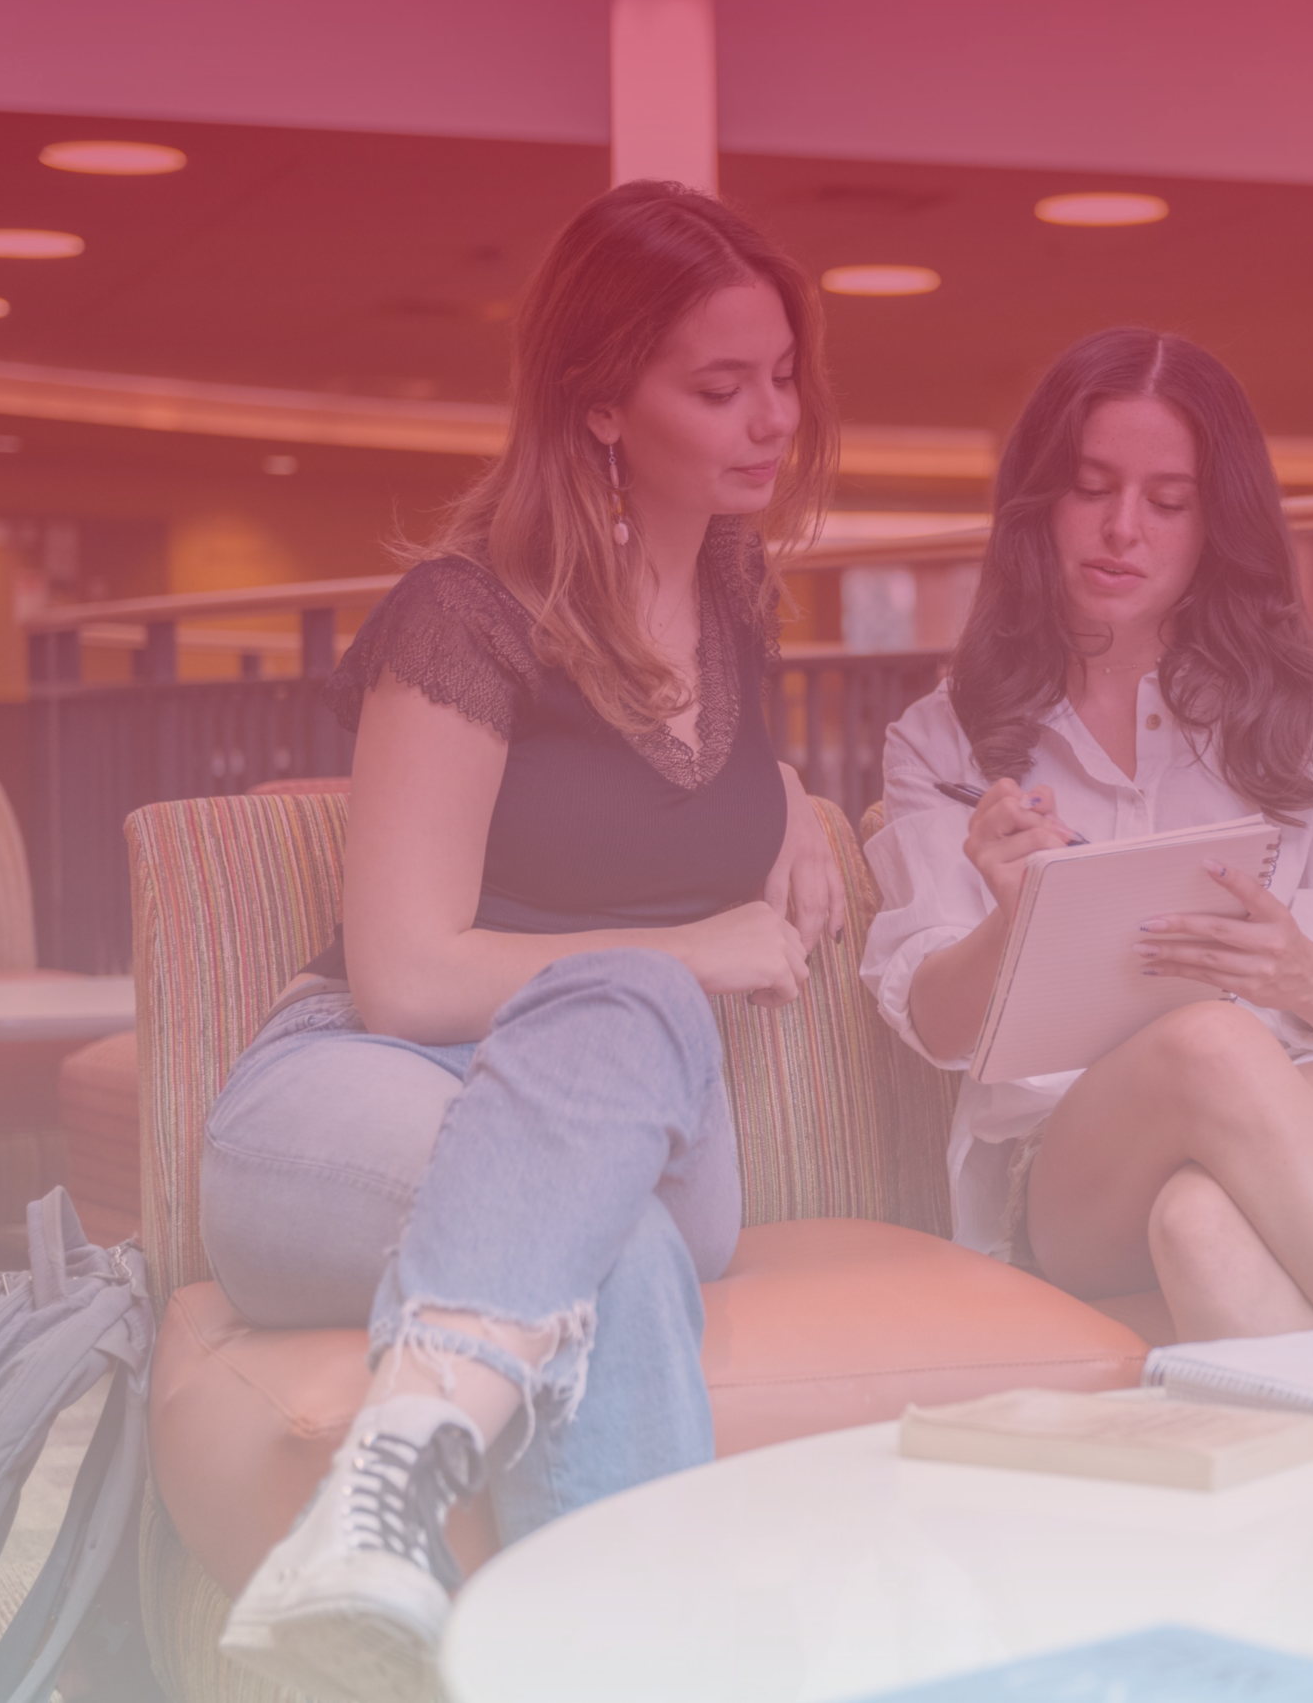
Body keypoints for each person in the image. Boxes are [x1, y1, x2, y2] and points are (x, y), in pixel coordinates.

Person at [201, 180, 842, 1703]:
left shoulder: (740, 597)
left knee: (622, 1087)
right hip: (364, 1092)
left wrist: (798, 795)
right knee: (605, 1246)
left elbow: (670, 795)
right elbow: (405, 975)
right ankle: (516, 1578)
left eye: (783, 375)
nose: (775, 417)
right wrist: (688, 945)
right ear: (600, 402)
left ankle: (384, 1476)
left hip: (635, 1132)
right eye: (720, 384)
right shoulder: (469, 617)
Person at [860, 327, 1313, 1348]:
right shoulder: (945, 739)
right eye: (1090, 489)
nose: (1124, 529)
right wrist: (1009, 924)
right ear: (1040, 502)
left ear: (1216, 525)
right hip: (1083, 1158)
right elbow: (940, 1027)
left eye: (1168, 504)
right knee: (1211, 1041)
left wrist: (1300, 971)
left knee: (1206, 1229)